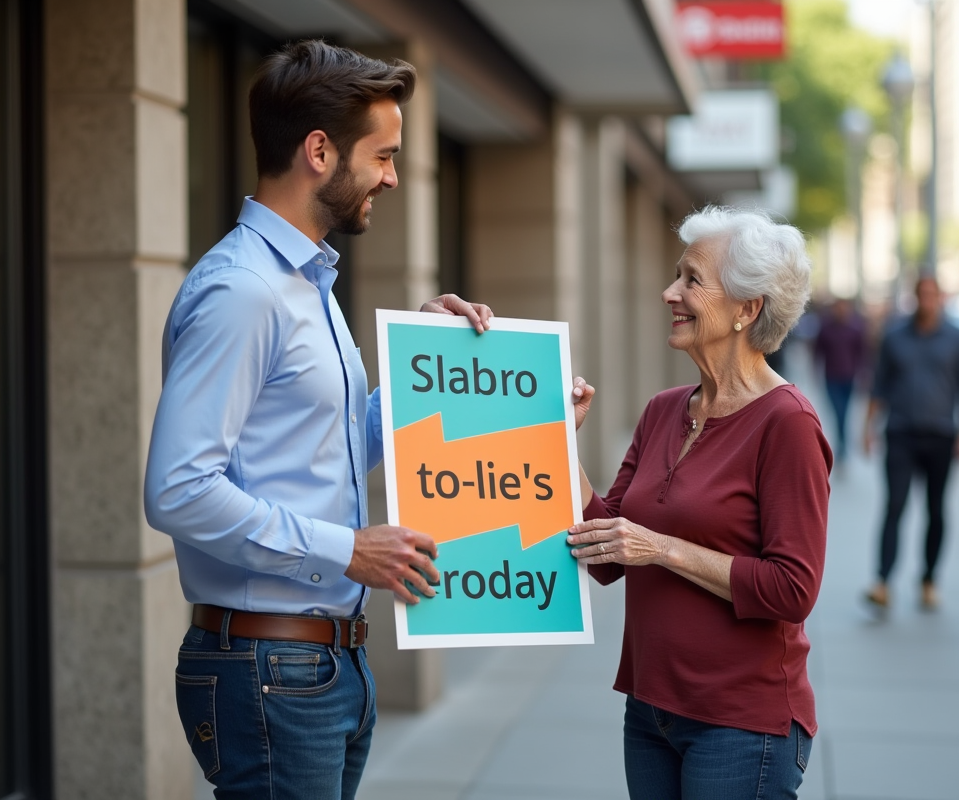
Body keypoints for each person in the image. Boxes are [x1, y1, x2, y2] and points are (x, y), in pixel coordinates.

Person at [144, 41, 492, 800]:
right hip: (270, 669)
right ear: (318, 151)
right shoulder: (244, 292)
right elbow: (177, 489)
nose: (395, 176)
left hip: (322, 666)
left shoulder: (307, 283)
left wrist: (419, 367)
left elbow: (328, 450)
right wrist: (347, 551)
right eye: (385, 155)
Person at [565, 207, 831, 799]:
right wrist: (557, 447)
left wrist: (660, 549)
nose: (669, 293)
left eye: (691, 279)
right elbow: (608, 557)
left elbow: (793, 589)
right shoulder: (663, 409)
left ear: (747, 308)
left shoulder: (788, 425)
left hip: (741, 725)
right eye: (675, 275)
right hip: (651, 708)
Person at [863, 277, 959, 611]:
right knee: (894, 506)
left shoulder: (958, 340)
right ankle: (883, 581)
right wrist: (868, 428)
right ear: (915, 297)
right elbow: (879, 386)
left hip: (941, 435)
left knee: (935, 509)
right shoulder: (894, 336)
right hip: (900, 432)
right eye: (922, 294)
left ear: (940, 298)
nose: (927, 300)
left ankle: (929, 579)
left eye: (933, 294)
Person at [812, 296, 866, 461]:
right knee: (838, 411)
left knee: (845, 411)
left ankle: (842, 444)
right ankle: (842, 444)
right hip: (832, 377)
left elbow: (863, 353)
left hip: (849, 377)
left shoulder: (855, 328)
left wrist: (864, 374)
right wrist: (815, 371)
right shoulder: (826, 328)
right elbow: (817, 351)